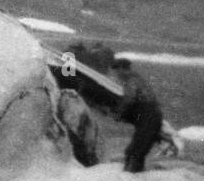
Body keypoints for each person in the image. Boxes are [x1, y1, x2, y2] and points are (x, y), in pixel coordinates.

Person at [56, 42, 165, 173]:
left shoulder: (129, 80)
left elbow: (67, 75)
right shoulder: (129, 78)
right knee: (136, 150)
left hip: (80, 89)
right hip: (84, 90)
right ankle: (132, 171)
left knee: (135, 151)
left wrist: (119, 110)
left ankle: (132, 172)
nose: (115, 72)